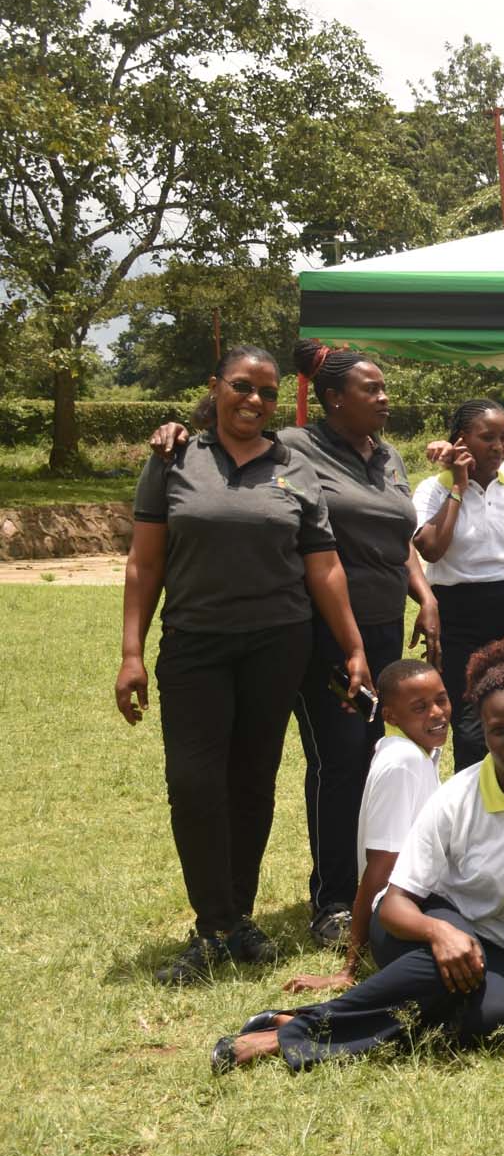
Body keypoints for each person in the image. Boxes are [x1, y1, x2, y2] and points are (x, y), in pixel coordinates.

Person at [147, 339, 443, 949]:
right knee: (339, 760)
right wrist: (177, 430)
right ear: (332, 399)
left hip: (381, 627)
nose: (385, 398)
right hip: (320, 632)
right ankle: (333, 900)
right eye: (371, 389)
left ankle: (387, 884)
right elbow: (232, 441)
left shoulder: (388, 455)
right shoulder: (297, 447)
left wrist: (425, 594)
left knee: (382, 759)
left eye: (385, 388)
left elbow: (399, 537)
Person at [210, 638, 504, 1072]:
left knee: (489, 1021)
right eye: (498, 730)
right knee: (449, 967)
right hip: (421, 919)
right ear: (482, 730)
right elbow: (394, 903)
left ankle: (292, 1020)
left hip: (503, 944)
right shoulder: (455, 798)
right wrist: (439, 932)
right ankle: (293, 1035)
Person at [119, 345, 376, 985]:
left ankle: (235, 919)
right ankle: (213, 925)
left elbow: (324, 566)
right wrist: (131, 653)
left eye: (267, 392)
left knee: (253, 781)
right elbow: (145, 564)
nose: (254, 400)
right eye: (242, 386)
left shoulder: (294, 467)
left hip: (276, 645)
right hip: (195, 645)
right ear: (216, 387)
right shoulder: (173, 459)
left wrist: (352, 647)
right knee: (194, 783)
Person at [279, 660, 450, 998]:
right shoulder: (403, 763)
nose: (436, 713)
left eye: (441, 699)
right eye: (419, 707)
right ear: (390, 716)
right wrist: (349, 969)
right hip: (401, 915)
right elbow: (379, 868)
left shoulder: (416, 750)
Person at [411, 398, 504, 768]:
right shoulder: (432, 489)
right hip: (462, 616)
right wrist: (458, 487)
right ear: (461, 439)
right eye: (487, 437)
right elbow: (431, 549)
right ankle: (477, 799)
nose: (498, 447)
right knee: (472, 724)